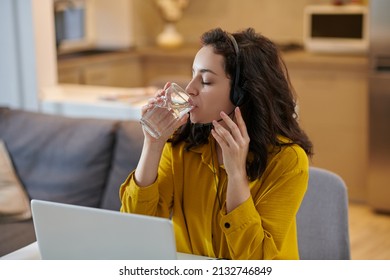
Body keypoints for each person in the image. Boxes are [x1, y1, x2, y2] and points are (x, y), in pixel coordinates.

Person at [120, 27, 313, 260]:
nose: (189, 89)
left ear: (242, 94)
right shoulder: (181, 145)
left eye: (206, 81)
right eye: (192, 74)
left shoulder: (288, 161)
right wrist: (152, 144)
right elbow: (135, 228)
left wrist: (236, 175)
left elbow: (257, 262)